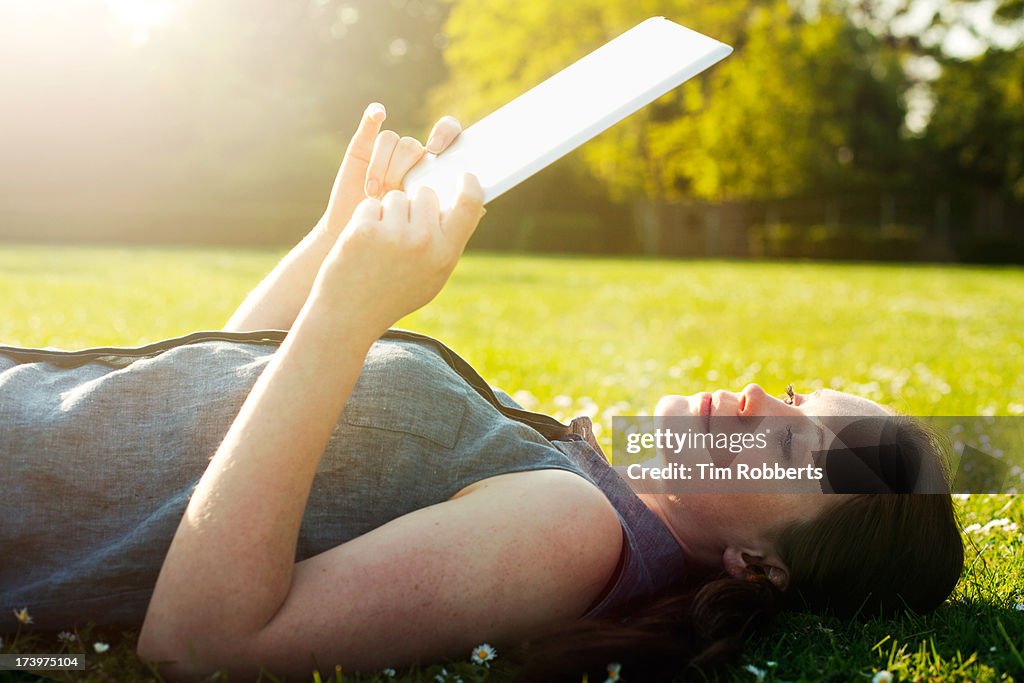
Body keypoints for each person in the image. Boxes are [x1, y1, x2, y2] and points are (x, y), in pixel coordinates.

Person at [0, 104, 964, 683]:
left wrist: (349, 312)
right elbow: (203, 403)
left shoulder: (571, 530)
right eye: (794, 391)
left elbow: (202, 646)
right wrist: (342, 237)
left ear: (760, 563)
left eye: (794, 442)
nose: (760, 393)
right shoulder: (574, 476)